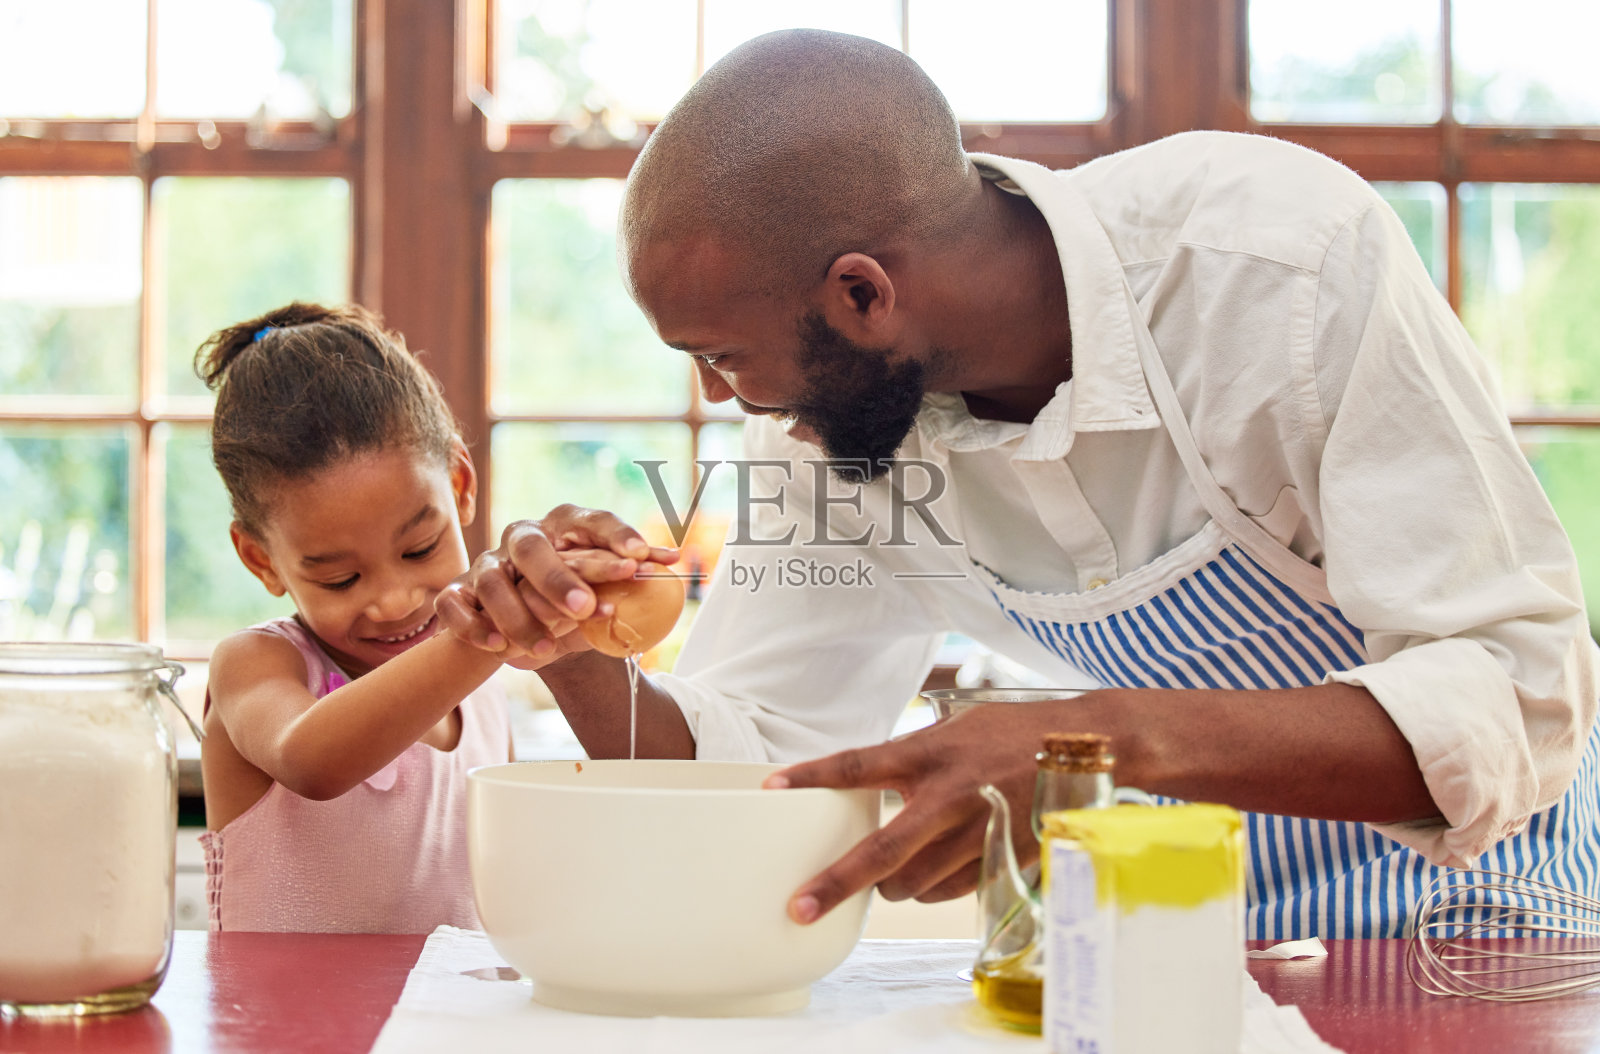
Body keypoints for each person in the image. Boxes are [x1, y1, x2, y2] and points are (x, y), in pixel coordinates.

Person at [438, 30, 1600, 939]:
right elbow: (766, 759)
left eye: (725, 355)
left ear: (861, 294)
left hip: (1487, 925)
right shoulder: (833, 439)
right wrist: (579, 654)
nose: (726, 397)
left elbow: (1519, 691)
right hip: (1185, 947)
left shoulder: (1271, 267)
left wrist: (1089, 743)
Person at [196, 302, 555, 933]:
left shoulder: (484, 692)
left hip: (442, 1033)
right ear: (261, 559)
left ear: (461, 483)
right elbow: (310, 762)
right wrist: (487, 634)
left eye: (419, 549)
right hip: (283, 1033)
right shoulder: (257, 666)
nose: (394, 601)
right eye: (339, 578)